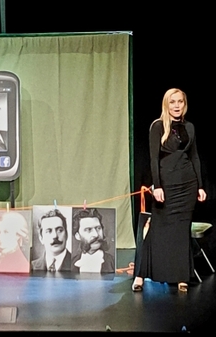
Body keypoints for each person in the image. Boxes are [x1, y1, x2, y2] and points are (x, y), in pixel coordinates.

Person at [133, 88, 206, 292]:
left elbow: (195, 157)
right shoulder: (157, 126)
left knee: (181, 232)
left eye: (180, 101)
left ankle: (182, 276)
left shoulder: (189, 127)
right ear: (166, 104)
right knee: (156, 229)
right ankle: (140, 275)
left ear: (184, 104)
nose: (176, 105)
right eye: (172, 102)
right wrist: (157, 186)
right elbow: (153, 159)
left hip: (188, 185)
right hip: (167, 185)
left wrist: (200, 186)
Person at [72, 207, 115, 273]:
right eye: (88, 230)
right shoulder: (71, 264)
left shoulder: (113, 262)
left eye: (98, 228)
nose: (96, 235)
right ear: (77, 236)